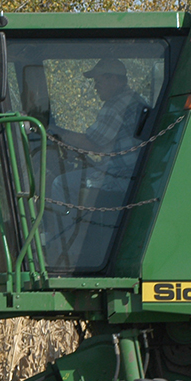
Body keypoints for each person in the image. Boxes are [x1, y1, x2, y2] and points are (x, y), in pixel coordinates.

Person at [40, 58, 149, 271]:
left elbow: (91, 143)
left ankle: (65, 244)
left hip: (120, 176)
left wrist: (54, 131)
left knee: (60, 184)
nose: (96, 86)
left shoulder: (117, 105)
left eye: (99, 81)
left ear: (115, 80)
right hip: (134, 173)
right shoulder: (135, 100)